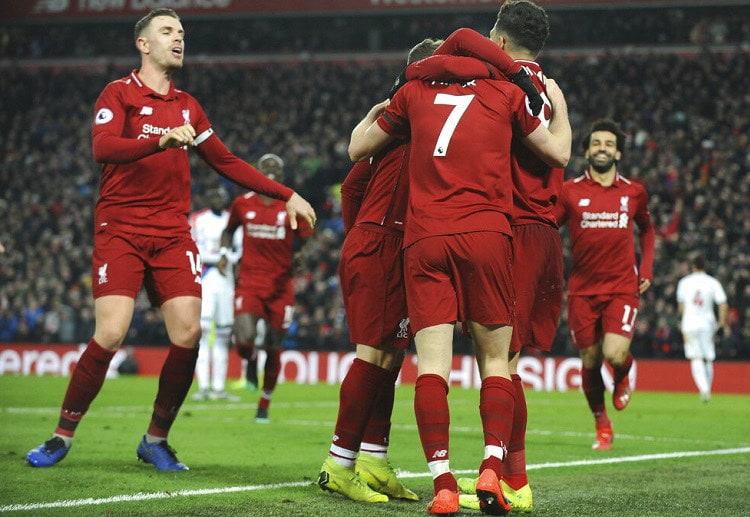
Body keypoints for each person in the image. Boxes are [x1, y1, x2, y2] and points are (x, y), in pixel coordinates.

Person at [26, 8, 316, 470]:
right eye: (167, 32)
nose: (178, 39)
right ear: (144, 44)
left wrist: (287, 194)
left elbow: (226, 161)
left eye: (181, 32)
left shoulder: (188, 106)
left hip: (171, 232)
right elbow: (104, 147)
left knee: (189, 332)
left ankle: (155, 439)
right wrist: (159, 142)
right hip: (120, 227)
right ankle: (62, 434)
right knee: (112, 331)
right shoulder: (118, 93)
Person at [348, 42, 571, 516]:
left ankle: (444, 483)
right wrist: (560, 106)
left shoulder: (413, 93)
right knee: (496, 363)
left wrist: (381, 105)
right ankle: (492, 467)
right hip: (487, 236)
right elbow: (560, 152)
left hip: (426, 239)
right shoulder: (505, 93)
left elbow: (357, 149)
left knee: (432, 368)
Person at [427, 2, 560, 513]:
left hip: (513, 228)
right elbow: (559, 151)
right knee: (508, 361)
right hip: (544, 230)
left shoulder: (498, 87)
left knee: (500, 363)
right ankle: (511, 477)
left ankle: (513, 479)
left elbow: (458, 44)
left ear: (499, 43)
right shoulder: (546, 89)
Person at [317, 38, 443, 506]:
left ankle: (372, 457)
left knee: (390, 359)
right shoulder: (409, 116)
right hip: (383, 243)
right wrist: (368, 237)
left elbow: (352, 187)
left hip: (387, 242)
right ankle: (339, 463)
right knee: (373, 357)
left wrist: (360, 234)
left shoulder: (400, 121)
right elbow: (352, 173)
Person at [553, 118, 655, 451]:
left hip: (622, 287)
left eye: (609, 144)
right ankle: (602, 424)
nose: (602, 149)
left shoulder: (634, 192)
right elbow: (549, 226)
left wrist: (647, 269)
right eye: (596, 143)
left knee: (614, 353)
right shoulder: (570, 191)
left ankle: (624, 370)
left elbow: (647, 230)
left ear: (619, 153)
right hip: (582, 289)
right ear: (586, 152)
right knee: (590, 360)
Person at [219, 153, 313, 424]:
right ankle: (249, 361)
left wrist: (300, 255)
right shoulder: (242, 203)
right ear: (256, 173)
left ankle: (264, 402)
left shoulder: (291, 204)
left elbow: (306, 238)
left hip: (281, 286)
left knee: (274, 346)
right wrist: (225, 252)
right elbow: (229, 230)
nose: (271, 170)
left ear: (282, 176)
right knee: (244, 338)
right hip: (249, 283)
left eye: (276, 167)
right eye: (266, 166)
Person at [189, 185, 241, 402]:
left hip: (226, 281)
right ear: (208, 198)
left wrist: (226, 258)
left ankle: (219, 388)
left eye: (220, 195)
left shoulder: (233, 220)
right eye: (213, 194)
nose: (217, 198)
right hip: (206, 278)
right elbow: (192, 247)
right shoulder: (198, 219)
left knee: (223, 335)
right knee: (201, 334)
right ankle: (203, 387)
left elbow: (240, 249)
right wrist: (216, 258)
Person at [676, 254, 729, 402]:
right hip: (708, 323)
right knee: (707, 357)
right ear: (705, 267)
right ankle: (708, 389)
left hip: (690, 323)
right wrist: (722, 323)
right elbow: (723, 303)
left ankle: (704, 390)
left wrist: (682, 319)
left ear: (693, 266)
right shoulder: (712, 282)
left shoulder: (684, 282)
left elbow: (681, 307)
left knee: (695, 356)